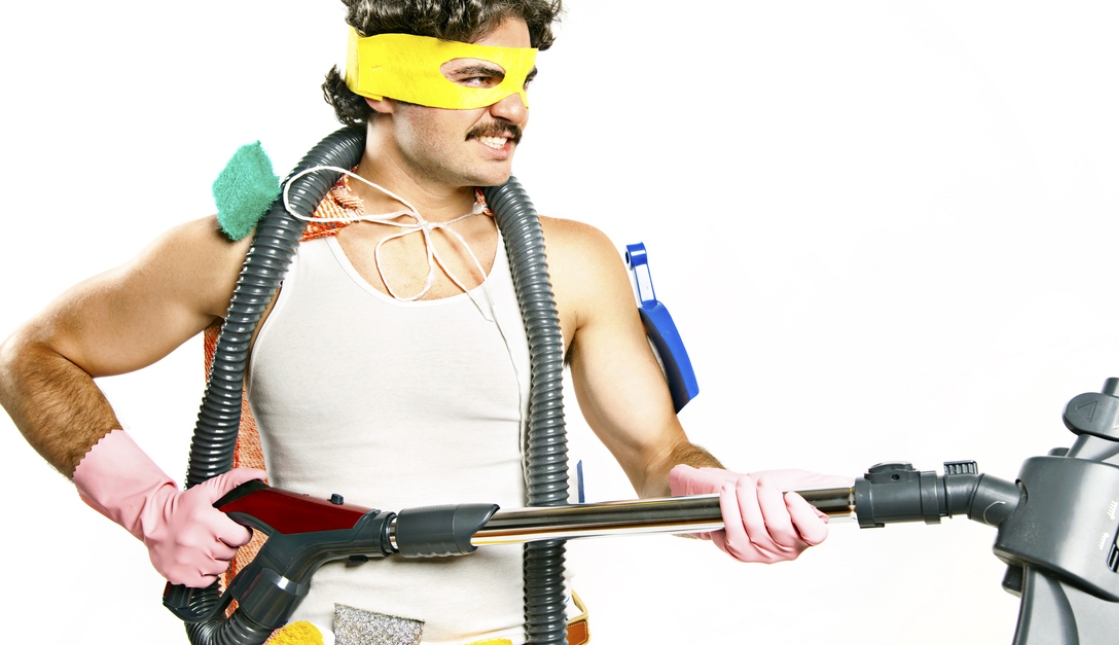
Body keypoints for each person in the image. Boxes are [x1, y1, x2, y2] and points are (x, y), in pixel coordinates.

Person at [0, 1, 847, 643]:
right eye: (479, 78)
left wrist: (714, 492)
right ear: (379, 78)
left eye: (523, 82)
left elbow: (660, 454)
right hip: (320, 629)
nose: (512, 108)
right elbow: (33, 355)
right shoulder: (246, 249)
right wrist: (147, 505)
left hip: (530, 626)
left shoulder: (570, 260)